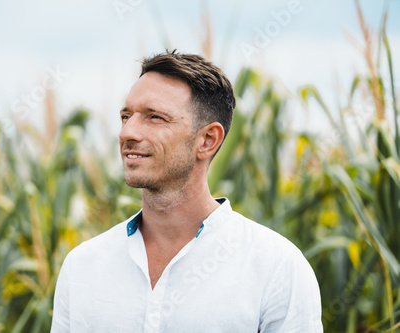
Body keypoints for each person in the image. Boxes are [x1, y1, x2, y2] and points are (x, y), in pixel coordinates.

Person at [51, 51, 323, 332]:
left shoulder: (276, 267)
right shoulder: (82, 266)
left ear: (207, 140)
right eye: (126, 116)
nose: (127, 132)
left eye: (154, 117)